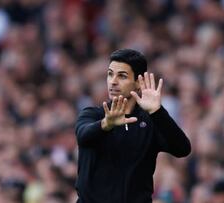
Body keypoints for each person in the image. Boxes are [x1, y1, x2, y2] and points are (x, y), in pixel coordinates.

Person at [75, 49, 191, 203]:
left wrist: (157, 111)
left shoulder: (150, 121)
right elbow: (83, 135)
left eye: (122, 76)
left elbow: (182, 149)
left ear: (138, 82)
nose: (113, 81)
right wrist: (106, 124)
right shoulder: (93, 115)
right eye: (110, 74)